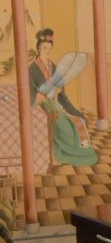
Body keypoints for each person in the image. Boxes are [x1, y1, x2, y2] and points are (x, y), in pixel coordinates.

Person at [28, 28, 98, 166]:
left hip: (57, 101)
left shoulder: (53, 65)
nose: (47, 50)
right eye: (44, 47)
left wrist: (59, 92)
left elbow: (61, 89)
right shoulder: (32, 69)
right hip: (44, 103)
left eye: (49, 48)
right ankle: (67, 151)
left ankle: (80, 149)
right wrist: (42, 97)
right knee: (65, 126)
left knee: (78, 120)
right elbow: (31, 92)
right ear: (38, 48)